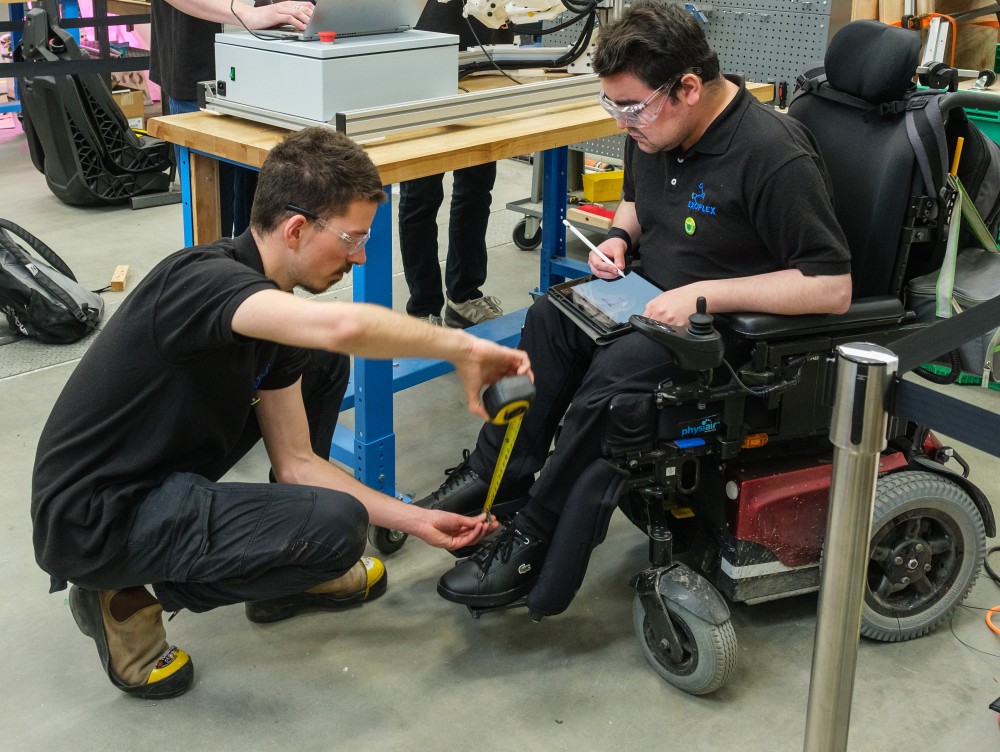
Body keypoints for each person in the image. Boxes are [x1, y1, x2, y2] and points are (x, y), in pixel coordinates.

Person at [31, 127, 531, 700]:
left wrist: (416, 519)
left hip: (159, 478)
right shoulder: (202, 281)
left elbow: (296, 462)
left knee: (321, 365)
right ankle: (121, 595)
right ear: (295, 229)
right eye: (353, 238)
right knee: (338, 527)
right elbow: (343, 325)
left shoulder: (270, 308)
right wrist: (464, 347)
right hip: (95, 517)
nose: (361, 256)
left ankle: (283, 573)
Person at [418, 1, 853, 610]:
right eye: (612, 105)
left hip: (725, 331)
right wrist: (621, 237)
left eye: (630, 107)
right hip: (650, 296)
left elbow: (831, 286)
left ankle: (534, 533)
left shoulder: (774, 155)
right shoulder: (653, 127)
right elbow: (635, 201)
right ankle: (495, 474)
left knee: (613, 381)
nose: (622, 122)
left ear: (689, 88)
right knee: (549, 317)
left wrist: (701, 295)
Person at [149, 0, 313, 235]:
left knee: (266, 225)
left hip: (274, 61)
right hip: (201, 67)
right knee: (211, 219)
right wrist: (247, 14)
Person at [397, 1, 513, 327]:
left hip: (484, 51)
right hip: (423, 53)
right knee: (420, 196)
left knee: (476, 189)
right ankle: (423, 309)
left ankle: (464, 296)